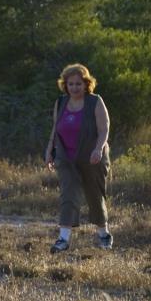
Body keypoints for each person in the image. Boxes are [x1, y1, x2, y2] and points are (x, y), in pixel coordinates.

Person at [45, 63, 112, 253]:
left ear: (86, 84)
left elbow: (104, 129)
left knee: (94, 195)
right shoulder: (61, 102)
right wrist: (49, 149)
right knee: (68, 194)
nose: (74, 88)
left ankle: (104, 234)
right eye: (70, 84)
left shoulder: (95, 101)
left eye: (78, 84)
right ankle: (63, 239)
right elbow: (55, 129)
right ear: (65, 85)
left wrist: (98, 149)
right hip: (66, 156)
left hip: (92, 156)